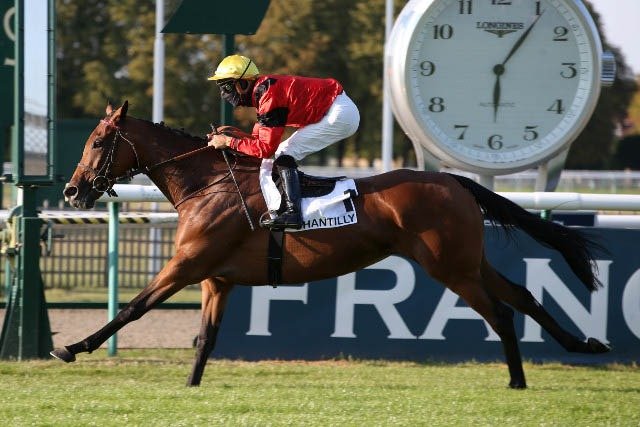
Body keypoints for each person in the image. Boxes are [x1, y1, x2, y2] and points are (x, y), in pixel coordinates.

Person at [206, 54, 360, 230]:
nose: (224, 93)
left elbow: (265, 149)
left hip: (339, 114)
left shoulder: (269, 96)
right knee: (282, 153)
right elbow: (257, 141)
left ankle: (293, 212)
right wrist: (230, 138)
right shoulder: (263, 92)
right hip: (334, 110)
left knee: (284, 153)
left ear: (244, 83)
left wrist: (228, 141)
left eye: (227, 86)